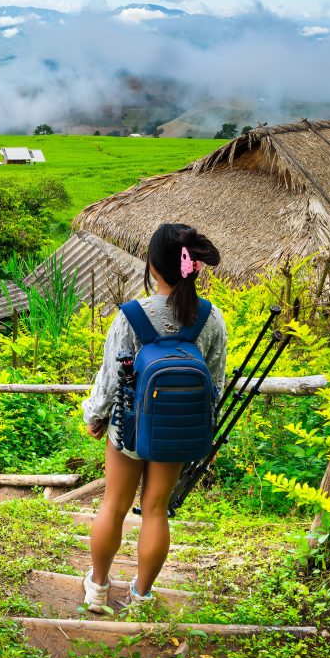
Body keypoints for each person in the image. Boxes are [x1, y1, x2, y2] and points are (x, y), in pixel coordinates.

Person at [79, 223, 227, 612]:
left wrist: (94, 417)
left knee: (113, 505)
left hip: (128, 429)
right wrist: (205, 434)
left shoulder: (131, 315)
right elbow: (215, 385)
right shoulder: (211, 319)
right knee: (156, 511)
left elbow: (110, 379)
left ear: (153, 267)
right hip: (177, 431)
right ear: (192, 267)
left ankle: (97, 589)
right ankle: (141, 597)